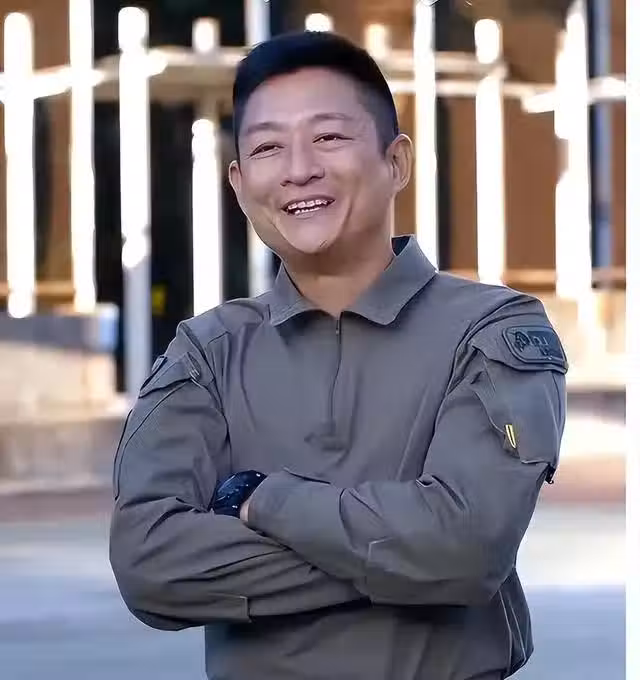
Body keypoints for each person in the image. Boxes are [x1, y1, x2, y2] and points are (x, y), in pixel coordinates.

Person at [109, 29, 568, 680]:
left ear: (396, 162)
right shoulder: (208, 353)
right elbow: (149, 565)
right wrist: (411, 558)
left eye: (327, 136)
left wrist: (263, 500)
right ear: (239, 184)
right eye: (268, 147)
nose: (298, 169)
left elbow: (468, 548)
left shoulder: (490, 329)